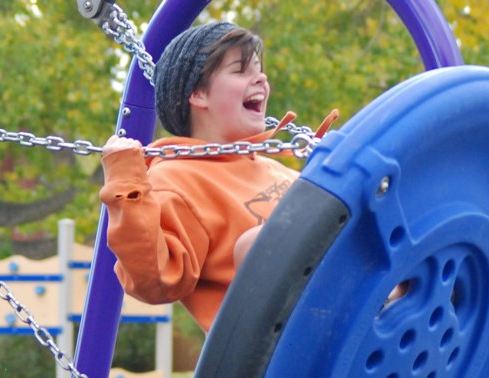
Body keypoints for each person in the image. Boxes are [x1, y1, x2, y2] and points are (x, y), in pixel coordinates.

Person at [100, 21, 337, 332]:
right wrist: (126, 183)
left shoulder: (271, 169)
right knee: (257, 243)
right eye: (241, 70)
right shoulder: (175, 180)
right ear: (198, 93)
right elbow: (155, 280)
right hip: (275, 350)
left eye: (259, 69)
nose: (261, 79)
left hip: (348, 316)